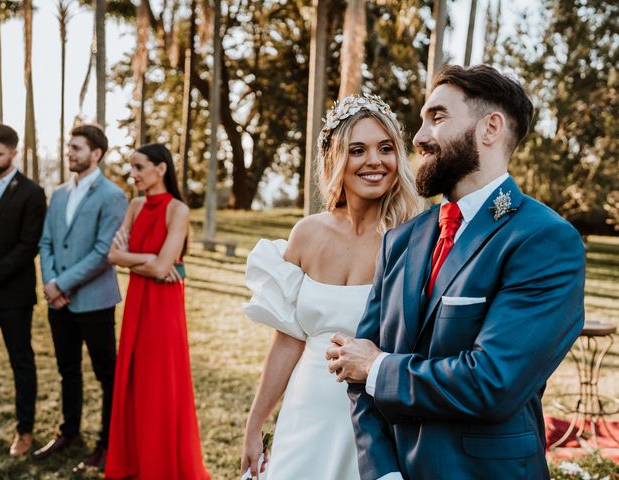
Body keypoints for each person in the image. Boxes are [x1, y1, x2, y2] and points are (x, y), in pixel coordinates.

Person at [326, 64, 586, 480]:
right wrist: (383, 472)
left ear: (490, 128)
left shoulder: (544, 241)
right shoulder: (403, 240)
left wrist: (378, 368)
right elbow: (358, 370)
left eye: (439, 117)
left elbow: (492, 383)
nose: (419, 136)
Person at [240, 94, 421, 480]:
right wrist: (255, 425)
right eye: (358, 150)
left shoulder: (413, 238)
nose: (374, 160)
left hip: (374, 417)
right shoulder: (307, 233)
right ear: (335, 159)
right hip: (305, 408)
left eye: (385, 148)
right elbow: (288, 341)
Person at [104, 143, 211, 480]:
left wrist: (143, 261)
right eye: (131, 168)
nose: (132, 174)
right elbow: (112, 256)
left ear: (160, 168)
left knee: (161, 382)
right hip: (138, 300)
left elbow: (165, 264)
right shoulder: (135, 206)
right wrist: (146, 261)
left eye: (139, 167)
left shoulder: (177, 210)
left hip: (164, 308)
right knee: (134, 378)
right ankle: (134, 460)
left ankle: (162, 465)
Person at [35, 125, 128, 472]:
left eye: (77, 148)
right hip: (59, 302)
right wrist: (50, 283)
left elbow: (105, 251)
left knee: (107, 374)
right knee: (67, 370)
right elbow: (46, 243)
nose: (69, 153)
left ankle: (107, 443)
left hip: (95, 301)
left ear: (97, 154)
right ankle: (69, 433)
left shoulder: (113, 196)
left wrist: (63, 284)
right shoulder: (58, 194)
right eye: (68, 147)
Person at [0, 123, 46, 457]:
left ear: (13, 152)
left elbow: (29, 246)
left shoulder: (31, 192)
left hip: (14, 295)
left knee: (21, 364)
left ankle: (24, 431)